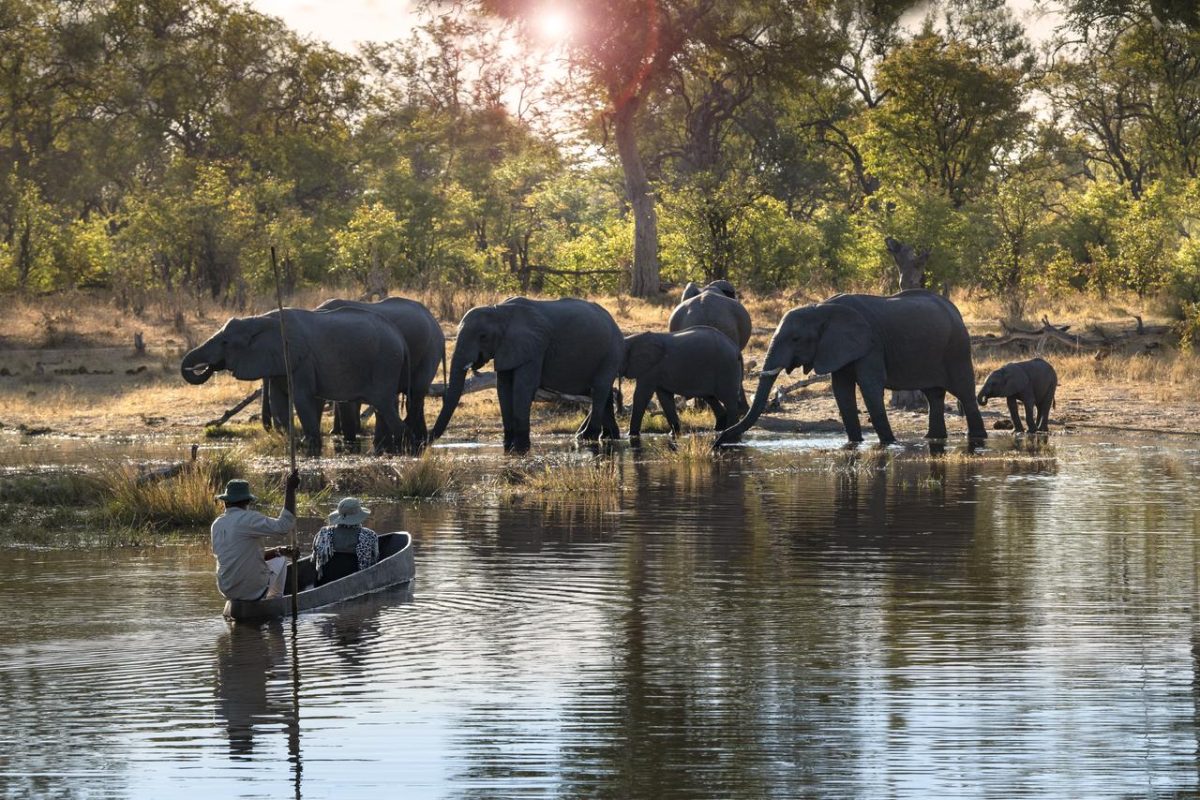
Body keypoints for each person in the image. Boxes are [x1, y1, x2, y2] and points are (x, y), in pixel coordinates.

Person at [211, 470, 300, 602]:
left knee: (279, 556)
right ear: (247, 502)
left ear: (226, 502)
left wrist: (278, 551)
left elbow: (241, 555)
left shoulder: (217, 524)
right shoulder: (249, 519)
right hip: (251, 591)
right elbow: (284, 526)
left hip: (227, 590)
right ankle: (273, 602)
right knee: (281, 561)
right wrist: (290, 489)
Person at [311, 497, 379, 581]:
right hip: (355, 580)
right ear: (359, 516)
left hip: (324, 579)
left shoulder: (323, 533)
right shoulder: (369, 535)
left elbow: (314, 559)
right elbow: (373, 560)